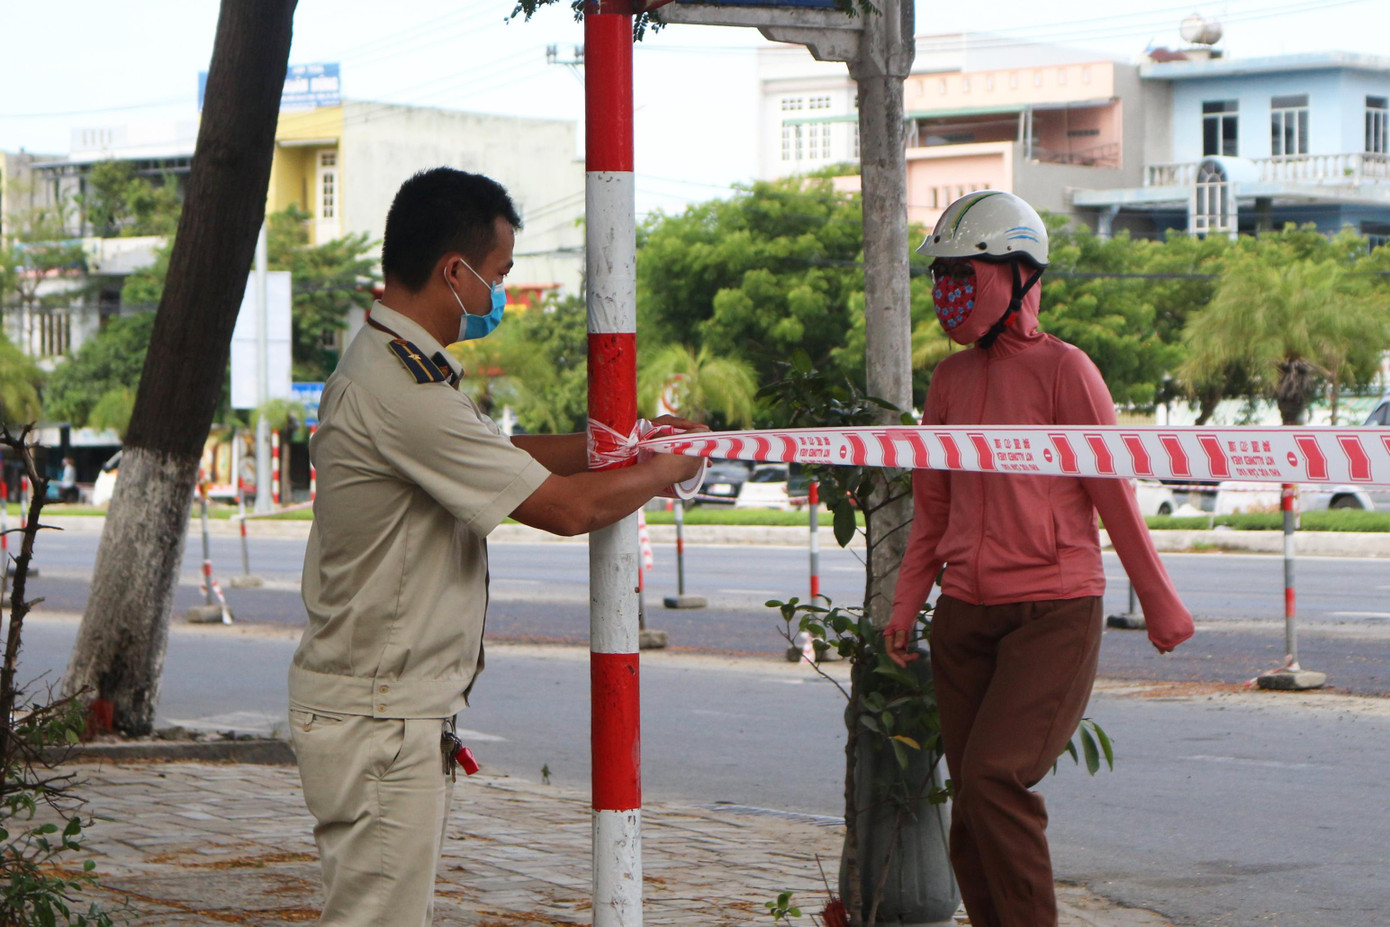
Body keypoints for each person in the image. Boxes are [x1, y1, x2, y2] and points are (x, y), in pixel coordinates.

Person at [288, 167, 704, 927]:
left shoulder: (403, 368)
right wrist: (660, 473)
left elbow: (504, 452)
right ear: (455, 272)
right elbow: (565, 510)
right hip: (381, 719)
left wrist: (624, 445)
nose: (498, 298)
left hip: (382, 708)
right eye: (500, 276)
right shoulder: (402, 391)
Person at [884, 190, 1193, 927]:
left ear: (1019, 272)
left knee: (995, 777)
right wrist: (907, 604)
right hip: (964, 617)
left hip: (1053, 613)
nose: (946, 287)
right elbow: (933, 506)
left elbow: (1111, 490)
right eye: (941, 272)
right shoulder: (950, 382)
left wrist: (1157, 595)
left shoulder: (1067, 371)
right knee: (972, 808)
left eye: (965, 270)